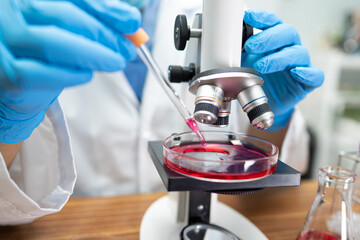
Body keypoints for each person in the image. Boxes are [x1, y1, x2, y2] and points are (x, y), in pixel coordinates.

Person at [0, 0, 324, 225]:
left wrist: (272, 121)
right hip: (71, 225)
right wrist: (8, 121)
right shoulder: (24, 21)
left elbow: (264, 194)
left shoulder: (217, 13)